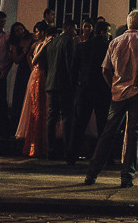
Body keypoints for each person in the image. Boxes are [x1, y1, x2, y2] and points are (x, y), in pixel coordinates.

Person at [83, 9, 138, 188]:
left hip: (118, 93)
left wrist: (113, 85)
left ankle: (92, 173)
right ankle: (127, 176)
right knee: (133, 134)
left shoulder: (115, 41)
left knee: (108, 133)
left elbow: (105, 69)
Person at [67, 18, 111, 165]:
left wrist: (75, 88)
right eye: (108, 32)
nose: (109, 35)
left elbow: (74, 71)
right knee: (103, 124)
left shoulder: (82, 47)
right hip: (102, 89)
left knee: (79, 123)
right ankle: (104, 157)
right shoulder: (107, 47)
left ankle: (71, 156)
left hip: (84, 88)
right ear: (102, 32)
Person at [16, 21, 51, 157]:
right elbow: (30, 58)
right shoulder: (38, 45)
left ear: (42, 32)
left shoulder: (43, 44)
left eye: (37, 31)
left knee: (40, 108)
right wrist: (33, 68)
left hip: (40, 75)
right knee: (36, 108)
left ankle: (38, 144)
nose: (35, 34)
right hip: (37, 75)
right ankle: (35, 145)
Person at [44, 21, 78, 160]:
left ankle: (50, 149)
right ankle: (67, 151)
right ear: (69, 28)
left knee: (52, 117)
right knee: (67, 117)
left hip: (51, 84)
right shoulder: (67, 41)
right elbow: (70, 64)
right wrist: (74, 83)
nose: (76, 32)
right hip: (64, 85)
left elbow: (48, 64)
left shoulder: (53, 42)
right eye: (75, 29)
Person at [7, 21, 32, 134]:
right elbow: (15, 60)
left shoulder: (31, 38)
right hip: (22, 70)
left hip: (32, 68)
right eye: (16, 31)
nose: (19, 32)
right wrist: (24, 53)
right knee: (19, 96)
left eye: (20, 29)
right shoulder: (15, 44)